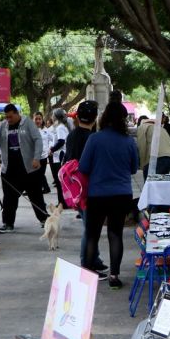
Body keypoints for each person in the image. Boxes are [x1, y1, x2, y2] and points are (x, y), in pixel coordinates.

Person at [79, 101, 138, 289]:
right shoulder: (129, 141)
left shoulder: (94, 139)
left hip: (97, 193)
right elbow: (133, 168)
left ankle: (86, 277)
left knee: (92, 235)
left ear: (104, 117)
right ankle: (114, 276)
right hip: (121, 194)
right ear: (123, 119)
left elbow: (83, 167)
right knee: (115, 234)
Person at [0, 103, 46, 233]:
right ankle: (8, 223)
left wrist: (36, 158)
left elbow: (38, 140)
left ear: (17, 113)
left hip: (28, 168)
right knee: (9, 198)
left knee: (36, 196)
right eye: (6, 117)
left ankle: (44, 219)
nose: (8, 119)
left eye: (11, 117)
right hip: (9, 169)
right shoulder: (3, 125)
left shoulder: (28, 123)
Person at [67, 101, 106, 273]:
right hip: (88, 187)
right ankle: (87, 264)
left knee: (90, 225)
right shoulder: (92, 138)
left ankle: (94, 258)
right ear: (95, 117)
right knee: (90, 229)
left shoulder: (72, 135)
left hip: (75, 187)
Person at [48, 108, 70, 207]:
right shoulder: (60, 126)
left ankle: (62, 202)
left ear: (56, 116)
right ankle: (62, 202)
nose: (51, 116)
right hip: (58, 156)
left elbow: (61, 141)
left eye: (53, 114)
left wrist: (51, 150)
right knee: (59, 181)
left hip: (59, 156)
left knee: (59, 181)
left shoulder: (60, 127)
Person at [34, 111, 53, 195]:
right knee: (35, 174)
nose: (38, 121)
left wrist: (50, 149)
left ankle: (45, 188)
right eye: (36, 119)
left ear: (42, 120)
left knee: (40, 174)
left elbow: (52, 140)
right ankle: (38, 189)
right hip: (33, 157)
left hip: (44, 156)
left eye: (39, 119)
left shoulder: (46, 130)